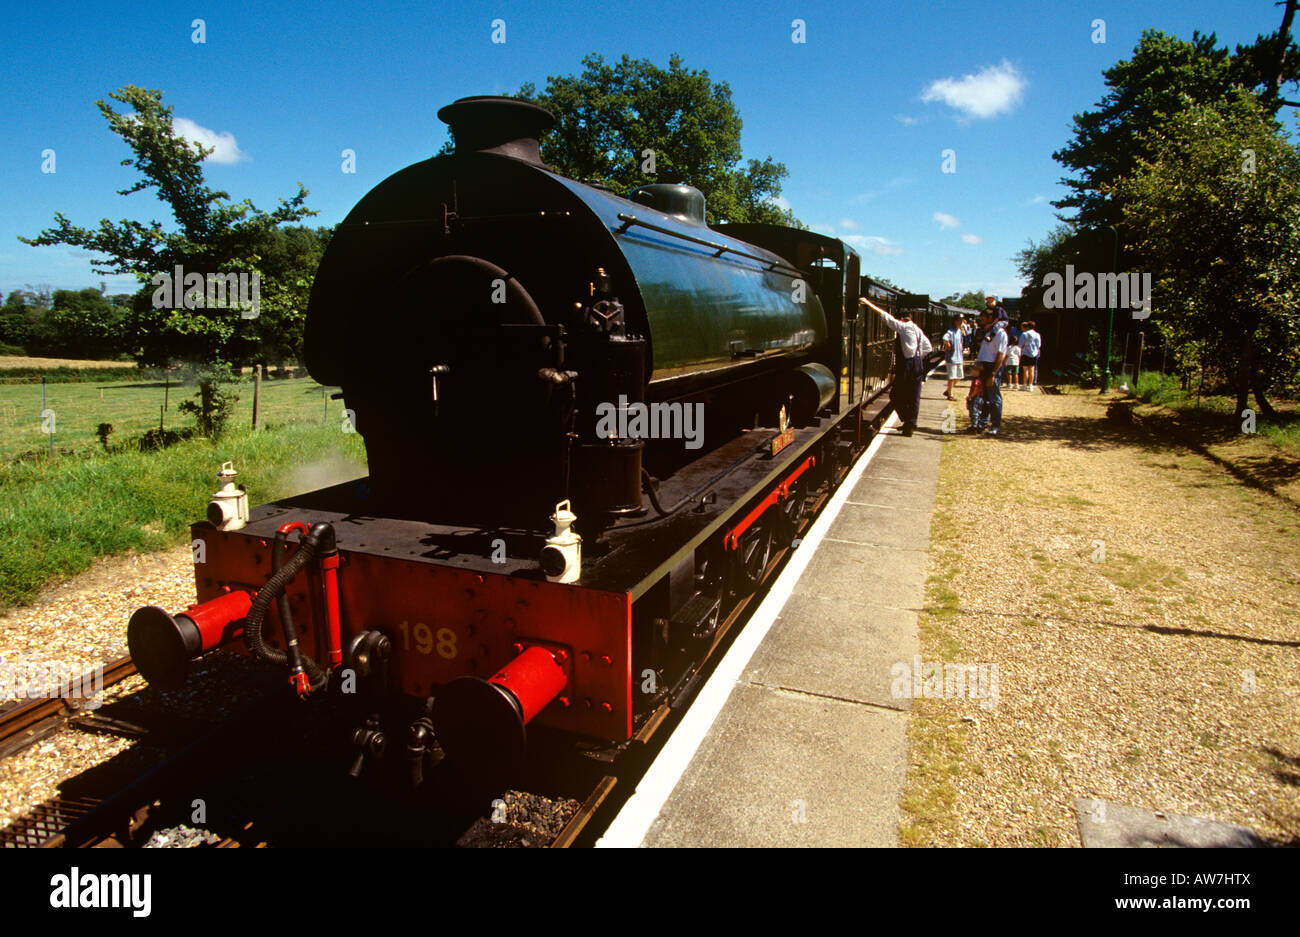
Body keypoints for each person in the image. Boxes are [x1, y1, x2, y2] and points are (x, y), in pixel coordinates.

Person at [861, 298, 932, 436]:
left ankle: (907, 420)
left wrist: (868, 303)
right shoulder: (917, 329)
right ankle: (910, 423)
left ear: (901, 318)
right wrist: (917, 356)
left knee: (895, 394)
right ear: (910, 317)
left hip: (908, 365)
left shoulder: (903, 327)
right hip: (918, 364)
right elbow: (928, 347)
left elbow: (885, 317)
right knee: (914, 396)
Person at [974, 306, 1007, 435]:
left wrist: (993, 373)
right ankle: (982, 423)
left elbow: (1000, 355)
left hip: (992, 367)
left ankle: (995, 425)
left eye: (983, 318)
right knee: (984, 397)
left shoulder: (1000, 333)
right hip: (984, 366)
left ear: (992, 319)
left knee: (994, 398)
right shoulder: (988, 332)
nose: (981, 320)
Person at [941, 315, 964, 399]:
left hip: (959, 357)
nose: (961, 322)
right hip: (951, 357)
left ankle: (948, 390)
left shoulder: (959, 331)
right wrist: (948, 345)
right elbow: (944, 338)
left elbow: (961, 342)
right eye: (959, 320)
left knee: (959, 376)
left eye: (962, 320)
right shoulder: (950, 331)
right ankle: (950, 395)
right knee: (951, 377)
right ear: (955, 321)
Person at [1019, 320, 1042, 391]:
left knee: (1025, 370)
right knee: (1032, 369)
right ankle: (1031, 385)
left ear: (1028, 326)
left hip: (1025, 353)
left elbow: (1020, 344)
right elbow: (1039, 345)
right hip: (1034, 353)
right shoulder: (1037, 334)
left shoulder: (1024, 334)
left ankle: (1025, 385)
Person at [966, 363, 986, 430]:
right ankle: (978, 425)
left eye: (971, 370)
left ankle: (975, 426)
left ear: (977, 371)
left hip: (976, 398)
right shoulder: (978, 379)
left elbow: (976, 390)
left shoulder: (976, 380)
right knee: (978, 411)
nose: (970, 372)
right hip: (979, 398)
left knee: (974, 412)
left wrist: (970, 396)